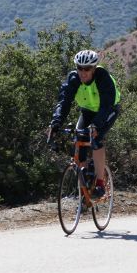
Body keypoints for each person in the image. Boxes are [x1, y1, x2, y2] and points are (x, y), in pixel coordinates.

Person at [48, 49, 121, 199]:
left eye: (87, 68)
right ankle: (85, 186)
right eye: (79, 68)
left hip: (108, 110)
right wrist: (55, 123)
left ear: (94, 68)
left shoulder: (103, 78)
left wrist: (95, 125)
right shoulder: (73, 78)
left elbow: (106, 106)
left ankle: (100, 183)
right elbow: (64, 102)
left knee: (96, 139)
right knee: (79, 140)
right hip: (88, 111)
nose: (83, 72)